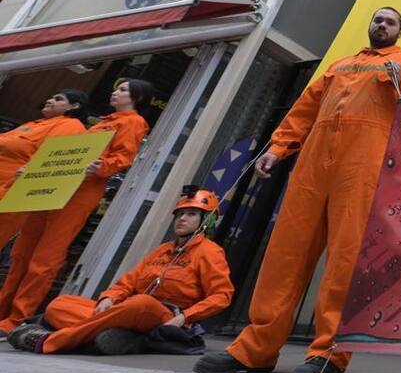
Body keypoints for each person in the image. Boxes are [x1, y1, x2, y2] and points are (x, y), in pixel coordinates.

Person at [194, 6, 401, 373]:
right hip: (313, 166)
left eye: (390, 21)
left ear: (399, 31)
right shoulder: (339, 65)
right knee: (285, 255)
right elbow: (303, 110)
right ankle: (255, 349)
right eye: (378, 19)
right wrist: (278, 147)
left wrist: (400, 84)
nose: (382, 25)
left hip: (364, 167)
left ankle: (328, 354)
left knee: (345, 258)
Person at [0, 79, 153, 334]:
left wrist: (101, 167)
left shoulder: (132, 122)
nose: (116, 92)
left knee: (44, 258)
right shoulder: (102, 123)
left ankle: (16, 318)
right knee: (22, 252)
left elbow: (124, 157)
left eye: (124, 90)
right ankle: (4, 310)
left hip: (80, 192)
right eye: (117, 88)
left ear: (137, 98)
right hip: (56, 186)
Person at [7, 186, 233, 355]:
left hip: (165, 317)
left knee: (140, 303)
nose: (182, 218)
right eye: (180, 214)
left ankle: (50, 341)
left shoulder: (209, 252)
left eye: (191, 214)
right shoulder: (162, 250)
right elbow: (128, 282)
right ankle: (122, 338)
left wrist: (185, 317)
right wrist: (108, 297)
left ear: (206, 221)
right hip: (128, 312)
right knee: (61, 304)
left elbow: (222, 296)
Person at [0, 90, 89, 203]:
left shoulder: (70, 125)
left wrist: (11, 186)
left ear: (74, 106)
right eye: (51, 97)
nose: (49, 100)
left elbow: (49, 161)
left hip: (10, 191)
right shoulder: (34, 124)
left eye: (58, 99)